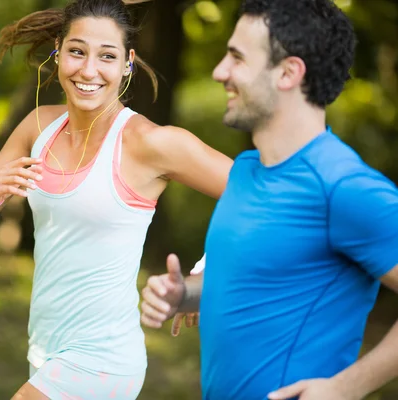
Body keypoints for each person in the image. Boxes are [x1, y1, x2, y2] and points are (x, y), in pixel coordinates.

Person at [0, 0, 232, 399]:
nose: (89, 70)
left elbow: (262, 197)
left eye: (107, 56)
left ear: (127, 63)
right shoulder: (39, 126)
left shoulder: (149, 142)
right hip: (45, 352)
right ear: (58, 51)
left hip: (103, 359)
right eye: (77, 51)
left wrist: (207, 272)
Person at [140, 0, 398, 399]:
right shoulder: (245, 171)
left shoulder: (343, 185)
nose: (219, 72)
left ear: (289, 72)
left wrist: (347, 388)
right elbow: (254, 282)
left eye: (237, 58)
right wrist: (184, 296)